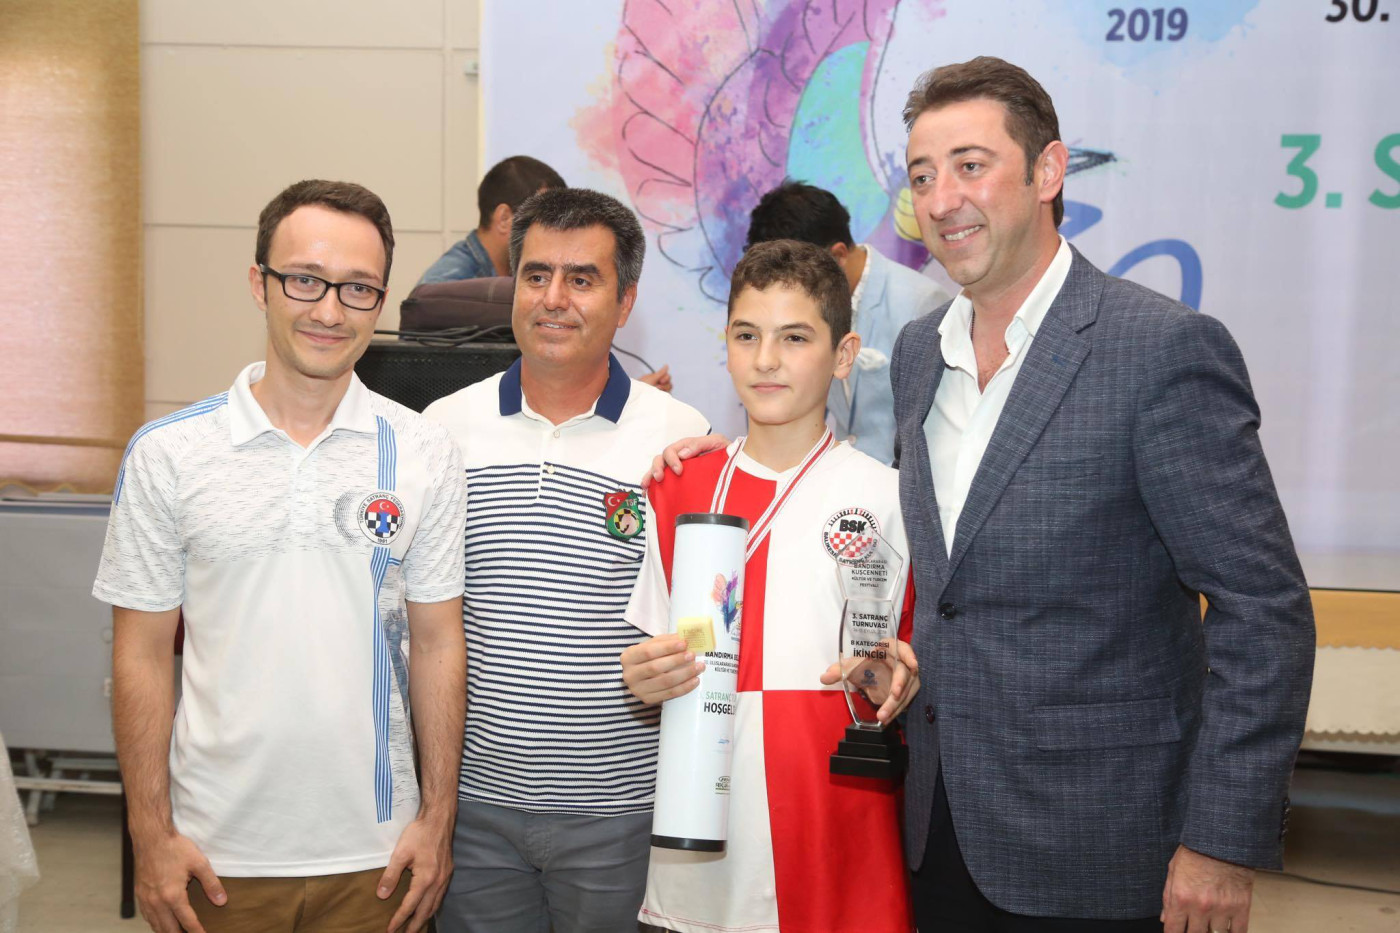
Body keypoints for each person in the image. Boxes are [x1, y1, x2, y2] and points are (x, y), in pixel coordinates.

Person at [647, 55, 1316, 933]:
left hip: (1103, 844)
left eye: (971, 165)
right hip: (934, 833)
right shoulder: (920, 352)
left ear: (1048, 170)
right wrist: (730, 453)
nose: (942, 199)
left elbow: (1262, 609)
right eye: (923, 175)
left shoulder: (1158, 350)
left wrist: (1221, 839)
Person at [94, 180, 470, 933]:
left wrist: (437, 819)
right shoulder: (169, 454)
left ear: (381, 300)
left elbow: (438, 642)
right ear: (258, 283)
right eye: (305, 279)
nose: (329, 311)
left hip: (378, 857)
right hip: (214, 857)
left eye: (358, 288)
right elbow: (140, 654)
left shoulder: (425, 451)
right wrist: (149, 833)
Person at [422, 188, 711, 933]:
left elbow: (709, 623)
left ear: (625, 301)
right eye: (536, 275)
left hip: (621, 817)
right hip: (471, 816)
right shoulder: (442, 429)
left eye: (582, 279)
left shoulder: (678, 437)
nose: (554, 299)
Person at [620, 239, 920, 933]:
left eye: (795, 338)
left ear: (844, 355)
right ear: (725, 345)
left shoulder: (891, 498)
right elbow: (658, 654)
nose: (765, 360)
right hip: (703, 841)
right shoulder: (678, 488)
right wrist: (644, 677)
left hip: (836, 824)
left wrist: (890, 676)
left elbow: (902, 670)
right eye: (747, 335)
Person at [746, 180, 947, 464]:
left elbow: (938, 429)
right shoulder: (800, 310)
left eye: (797, 276)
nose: (787, 290)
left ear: (838, 256)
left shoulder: (922, 302)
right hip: (839, 475)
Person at [415, 155, 566, 286]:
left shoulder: (523, 270)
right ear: (504, 219)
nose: (556, 232)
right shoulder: (447, 285)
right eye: (546, 219)